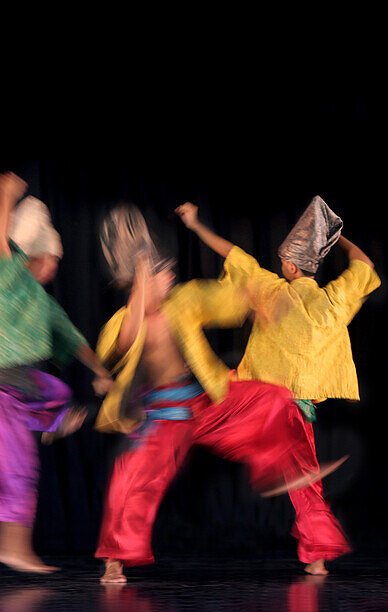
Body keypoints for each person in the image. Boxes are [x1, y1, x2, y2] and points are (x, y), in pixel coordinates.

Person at [94, 204, 337, 583]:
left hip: (202, 402)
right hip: (161, 418)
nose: (171, 276)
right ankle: (115, 559)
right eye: (163, 274)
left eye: (171, 271)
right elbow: (119, 347)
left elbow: (221, 298)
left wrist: (253, 303)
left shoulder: (184, 300)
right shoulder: (125, 321)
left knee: (272, 400)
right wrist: (141, 285)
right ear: (143, 282)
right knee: (130, 481)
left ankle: (288, 494)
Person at [176, 197, 379, 574]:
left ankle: (242, 451)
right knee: (304, 481)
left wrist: (195, 226)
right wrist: (340, 239)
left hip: (254, 401)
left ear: (289, 264)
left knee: (193, 414)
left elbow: (233, 254)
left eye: (282, 261)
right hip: (295, 408)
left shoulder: (271, 288)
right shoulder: (334, 302)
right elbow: (365, 265)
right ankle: (316, 557)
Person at [0, 173, 111, 573]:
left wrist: (101, 372)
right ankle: (12, 548)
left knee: (57, 399)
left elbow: (72, 337)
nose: (53, 268)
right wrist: (5, 196)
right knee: (17, 469)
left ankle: (53, 420)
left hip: (24, 384)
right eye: (51, 260)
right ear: (33, 255)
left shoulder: (41, 300)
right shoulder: (9, 274)